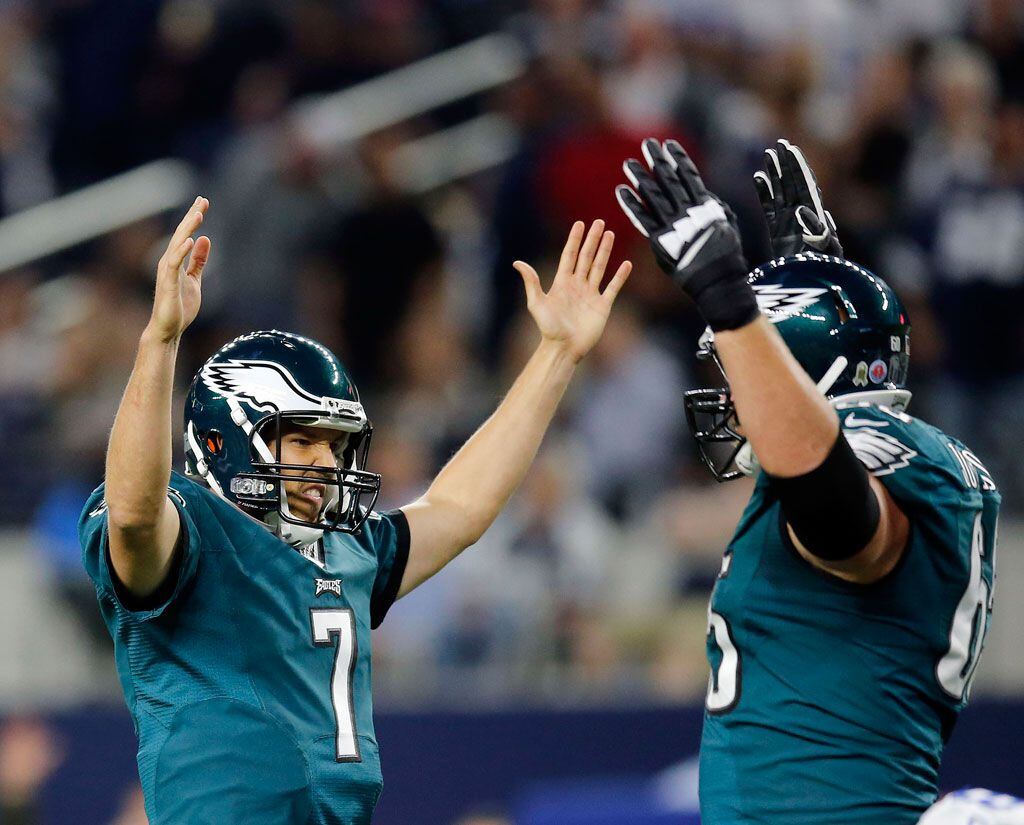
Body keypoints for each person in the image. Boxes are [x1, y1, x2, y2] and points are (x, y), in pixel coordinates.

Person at [78, 197, 631, 824]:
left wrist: (556, 354)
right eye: (303, 438)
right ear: (225, 438)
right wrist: (161, 340)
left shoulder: (347, 548)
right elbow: (133, 513)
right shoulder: (196, 530)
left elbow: (459, 506)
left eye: (335, 444)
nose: (325, 462)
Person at [616, 138, 1000, 824]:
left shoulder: (877, 459)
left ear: (810, 371)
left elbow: (843, 517)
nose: (732, 396)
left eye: (740, 371)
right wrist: (809, 288)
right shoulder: (906, 447)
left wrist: (733, 304)